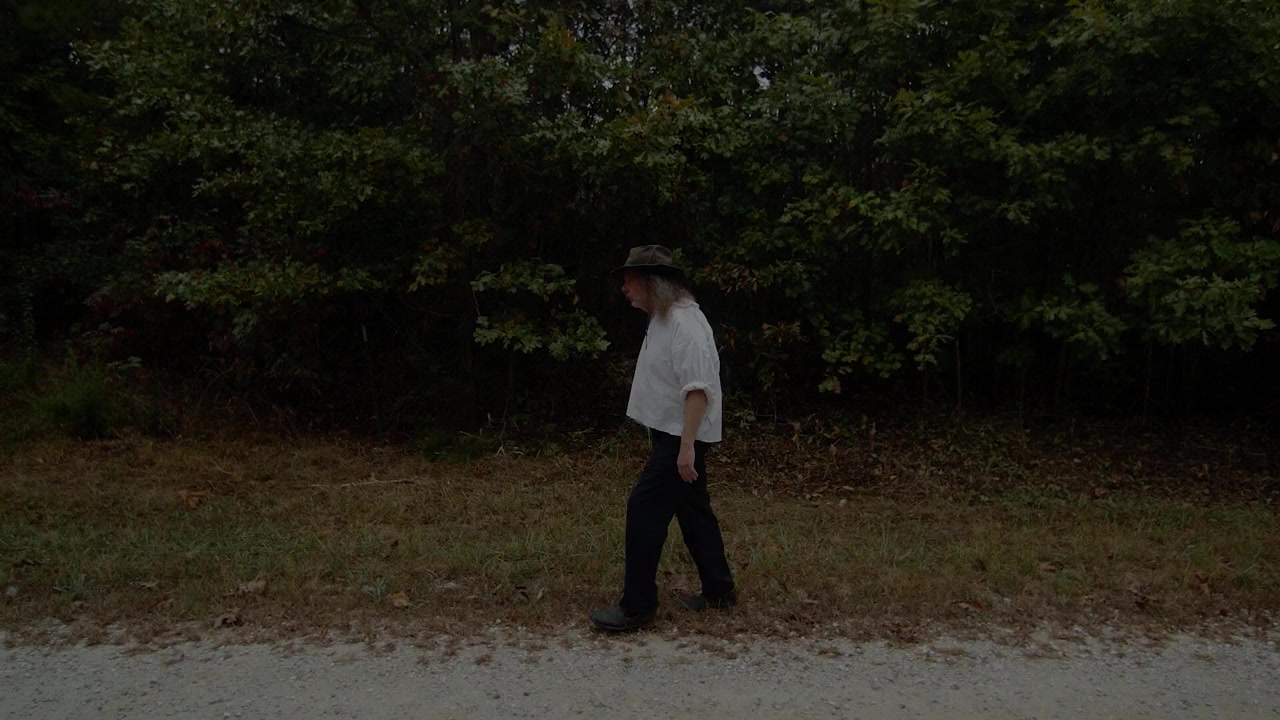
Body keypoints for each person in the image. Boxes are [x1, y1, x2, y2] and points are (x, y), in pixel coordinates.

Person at [590, 245, 737, 633]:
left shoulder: (686, 326)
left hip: (680, 437)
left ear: (652, 283)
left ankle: (636, 609)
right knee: (693, 510)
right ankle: (720, 591)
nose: (624, 288)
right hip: (674, 434)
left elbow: (698, 391)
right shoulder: (664, 317)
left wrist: (686, 448)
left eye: (630, 280)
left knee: (643, 508)